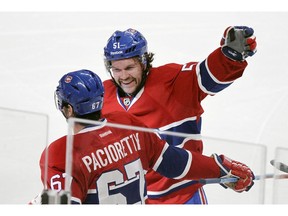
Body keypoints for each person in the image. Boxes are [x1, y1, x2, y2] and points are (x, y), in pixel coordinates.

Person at [30, 69, 254, 204]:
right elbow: (175, 162)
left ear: (68, 109)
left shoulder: (60, 154)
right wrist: (221, 167)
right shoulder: (128, 125)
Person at [102, 26, 257, 204]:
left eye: (129, 67)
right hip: (134, 201)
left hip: (183, 198)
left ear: (144, 62)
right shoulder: (102, 96)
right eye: (116, 70)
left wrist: (229, 56)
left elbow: (208, 75)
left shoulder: (173, 81)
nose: (124, 77)